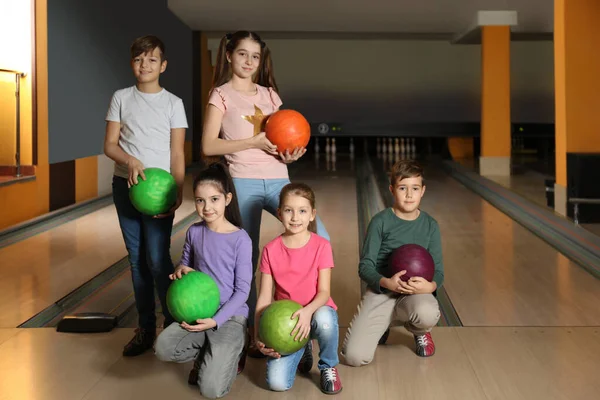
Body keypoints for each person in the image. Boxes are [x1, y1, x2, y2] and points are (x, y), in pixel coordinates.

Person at [201, 30, 330, 355]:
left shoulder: (270, 95)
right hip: (242, 180)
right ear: (229, 55)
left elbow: (283, 137)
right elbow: (207, 146)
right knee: (246, 258)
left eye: (255, 56)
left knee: (319, 236)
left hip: (278, 179)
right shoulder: (221, 95)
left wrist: (289, 153)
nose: (248, 61)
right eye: (242, 54)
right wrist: (252, 142)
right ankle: (247, 333)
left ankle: (309, 315)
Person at [104, 35, 187, 357]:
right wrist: (130, 161)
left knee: (157, 260)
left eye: (152, 60)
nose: (145, 65)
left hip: (159, 192)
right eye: (139, 59)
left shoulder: (173, 103)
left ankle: (171, 325)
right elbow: (110, 144)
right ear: (131, 63)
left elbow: (177, 153)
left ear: (163, 65)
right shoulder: (121, 97)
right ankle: (145, 328)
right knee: (137, 261)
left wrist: (178, 192)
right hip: (125, 186)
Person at [154, 162, 252, 399]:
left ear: (227, 199)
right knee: (163, 348)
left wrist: (215, 321)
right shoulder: (195, 232)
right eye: (200, 200)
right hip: (198, 311)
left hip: (229, 316)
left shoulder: (241, 239)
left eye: (214, 199)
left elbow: (242, 291)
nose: (207, 207)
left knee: (210, 390)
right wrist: (180, 270)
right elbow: (185, 265)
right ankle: (208, 351)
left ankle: (236, 348)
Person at [341, 160, 444, 366]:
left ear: (422, 191)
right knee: (354, 357)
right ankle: (382, 324)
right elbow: (365, 267)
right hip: (383, 292)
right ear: (391, 190)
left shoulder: (430, 225)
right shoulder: (380, 221)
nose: (409, 194)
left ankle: (420, 330)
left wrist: (430, 286)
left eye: (415, 188)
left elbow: (439, 271)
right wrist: (387, 282)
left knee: (427, 312)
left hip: (415, 294)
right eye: (402, 188)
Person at [254, 183, 342, 395]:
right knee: (277, 383)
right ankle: (303, 348)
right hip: (288, 322)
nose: (295, 217)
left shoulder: (322, 246)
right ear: (279, 213)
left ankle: (328, 365)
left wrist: (307, 311)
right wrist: (258, 336)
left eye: (302, 211)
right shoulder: (270, 250)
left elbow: (324, 293)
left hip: (316, 311)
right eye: (288, 210)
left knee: (326, 321)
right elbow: (265, 298)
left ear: (312, 215)